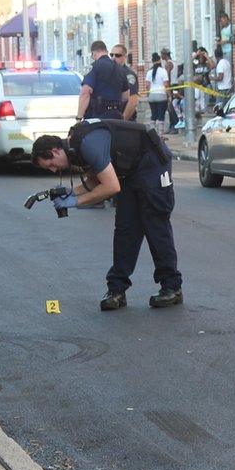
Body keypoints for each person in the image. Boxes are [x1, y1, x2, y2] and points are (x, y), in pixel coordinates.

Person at [29, 120, 183, 311]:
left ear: (55, 151)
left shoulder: (87, 144)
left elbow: (111, 186)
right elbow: (97, 177)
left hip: (153, 163)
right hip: (131, 171)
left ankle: (172, 287)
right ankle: (117, 290)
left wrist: (76, 202)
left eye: (51, 164)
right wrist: (73, 192)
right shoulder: (75, 148)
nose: (53, 170)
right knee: (125, 230)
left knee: (155, 225)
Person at [77, 41, 129, 120]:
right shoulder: (120, 69)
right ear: (106, 52)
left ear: (94, 53)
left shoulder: (94, 67)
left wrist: (79, 117)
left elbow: (85, 92)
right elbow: (126, 96)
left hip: (97, 116)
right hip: (116, 117)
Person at [110, 44, 139, 121]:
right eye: (111, 55)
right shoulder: (110, 73)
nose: (113, 58)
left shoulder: (128, 75)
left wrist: (123, 120)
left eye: (117, 55)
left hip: (125, 120)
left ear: (125, 57)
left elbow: (133, 100)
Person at [145, 53, 169, 134]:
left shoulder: (149, 72)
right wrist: (168, 94)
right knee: (161, 116)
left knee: (153, 115)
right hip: (161, 95)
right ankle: (160, 134)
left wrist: (149, 95)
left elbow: (147, 86)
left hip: (152, 95)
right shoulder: (163, 71)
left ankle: (152, 133)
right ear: (159, 61)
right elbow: (166, 84)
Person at [160, 49, 180, 135]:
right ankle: (173, 125)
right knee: (173, 106)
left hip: (171, 86)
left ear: (165, 55)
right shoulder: (174, 62)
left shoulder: (168, 64)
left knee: (170, 107)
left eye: (162, 54)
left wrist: (167, 89)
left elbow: (167, 77)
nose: (161, 56)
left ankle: (174, 125)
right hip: (175, 85)